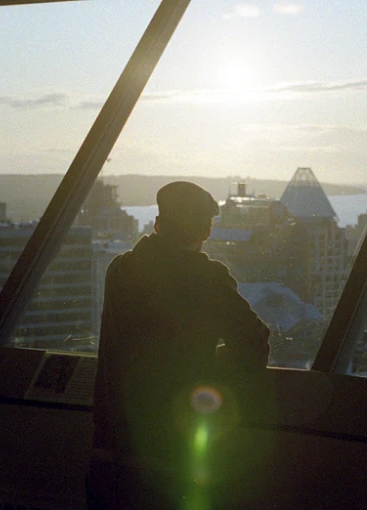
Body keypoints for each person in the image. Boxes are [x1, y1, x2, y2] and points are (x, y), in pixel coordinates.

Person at [87, 181, 270, 509]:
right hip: (173, 451)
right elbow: (254, 343)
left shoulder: (120, 271)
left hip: (111, 449)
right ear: (205, 231)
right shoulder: (209, 279)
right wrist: (210, 365)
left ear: (158, 225)